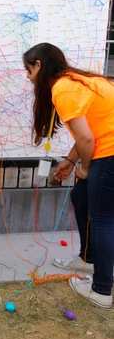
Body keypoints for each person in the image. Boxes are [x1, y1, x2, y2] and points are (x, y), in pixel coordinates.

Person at [23, 43, 114, 309]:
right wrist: (71, 161)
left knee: (104, 220)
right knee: (80, 195)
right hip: (105, 148)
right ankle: (87, 259)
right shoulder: (78, 80)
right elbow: (92, 127)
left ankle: (101, 290)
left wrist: (84, 167)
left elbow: (87, 137)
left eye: (28, 70)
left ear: (39, 65)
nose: (28, 77)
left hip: (108, 154)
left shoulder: (62, 87)